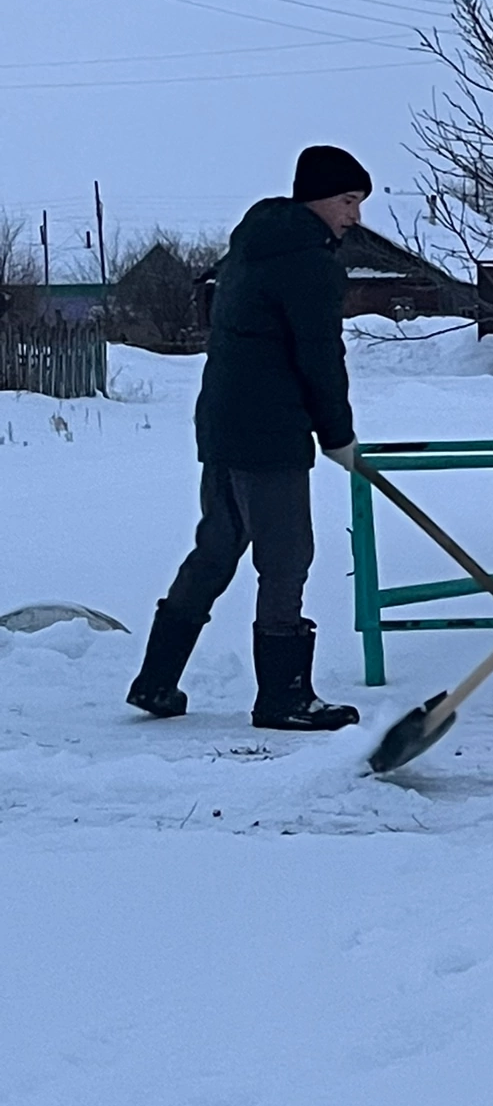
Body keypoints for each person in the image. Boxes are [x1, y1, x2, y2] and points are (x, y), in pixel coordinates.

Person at [126, 145, 372, 731]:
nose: (354, 217)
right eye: (348, 201)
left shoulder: (251, 249)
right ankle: (283, 698)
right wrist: (337, 433)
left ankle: (156, 680)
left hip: (223, 423)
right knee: (286, 558)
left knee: (217, 547)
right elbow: (318, 354)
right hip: (271, 431)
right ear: (317, 198)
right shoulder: (308, 260)